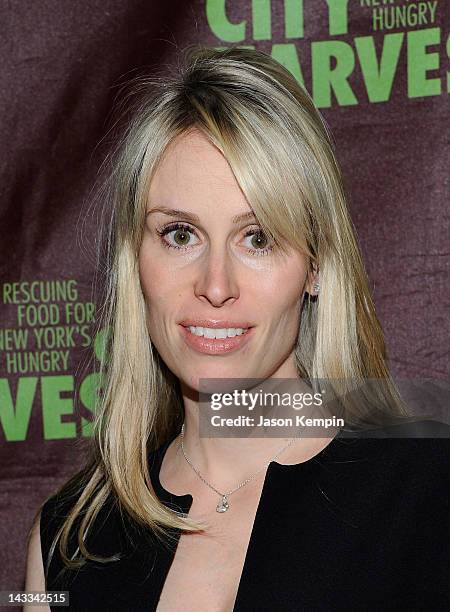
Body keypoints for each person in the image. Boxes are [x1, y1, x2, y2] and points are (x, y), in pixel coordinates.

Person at [25, 45, 448, 611]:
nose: (216, 285)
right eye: (179, 234)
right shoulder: (68, 541)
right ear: (135, 261)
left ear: (316, 264)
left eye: (258, 237)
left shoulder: (428, 495)